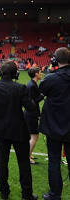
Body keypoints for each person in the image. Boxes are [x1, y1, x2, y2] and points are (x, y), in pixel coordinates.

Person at [0, 60, 38, 200]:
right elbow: (31, 108)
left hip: (0, 131)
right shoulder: (20, 88)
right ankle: (27, 194)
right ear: (16, 73)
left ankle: (4, 192)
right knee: (24, 163)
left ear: (0, 73)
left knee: (2, 162)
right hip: (18, 131)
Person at [39, 47, 70, 200]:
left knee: (54, 160)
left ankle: (54, 194)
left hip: (54, 126)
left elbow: (41, 89)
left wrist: (51, 69)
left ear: (55, 60)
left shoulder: (51, 78)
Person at [24, 67, 44, 164]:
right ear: (36, 74)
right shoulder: (32, 85)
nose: (42, 74)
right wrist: (44, 94)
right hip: (31, 114)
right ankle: (27, 157)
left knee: (31, 136)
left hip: (30, 113)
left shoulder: (32, 84)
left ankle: (28, 154)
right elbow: (35, 100)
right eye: (40, 72)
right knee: (34, 136)